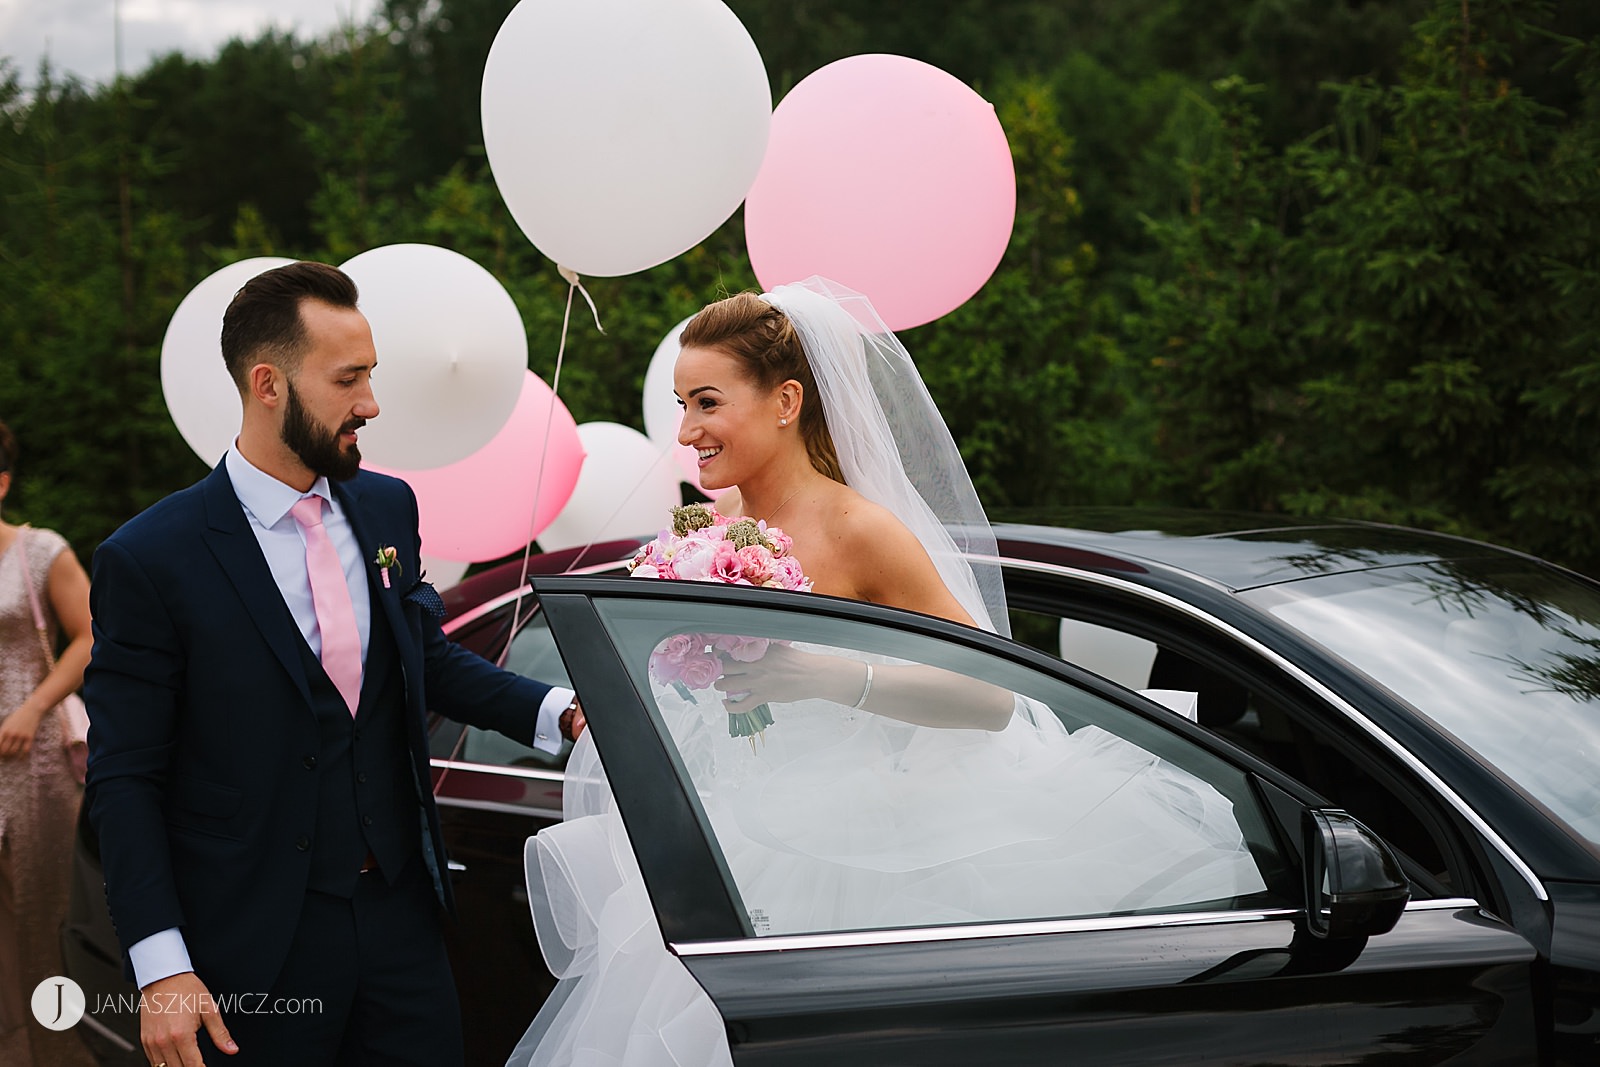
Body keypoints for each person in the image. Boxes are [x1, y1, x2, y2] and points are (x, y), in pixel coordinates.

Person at [509, 279, 1264, 1065]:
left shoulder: (861, 530)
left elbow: (990, 696)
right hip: (733, 843)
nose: (687, 429)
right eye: (681, 405)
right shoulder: (709, 536)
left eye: (705, 402)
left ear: (786, 400)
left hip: (865, 853)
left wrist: (827, 679)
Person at [83, 261, 583, 1067]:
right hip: (250, 945)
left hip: (401, 921)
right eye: (348, 379)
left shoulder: (388, 507)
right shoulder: (150, 559)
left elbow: (425, 659)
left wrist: (560, 710)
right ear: (268, 383)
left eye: (372, 376)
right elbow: (124, 775)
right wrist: (161, 964)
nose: (371, 404)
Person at [0, 421, 97, 1067]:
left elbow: (93, 635)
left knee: (41, 913)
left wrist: (34, 706)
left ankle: (57, 1051)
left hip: (27, 758)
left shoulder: (39, 551)